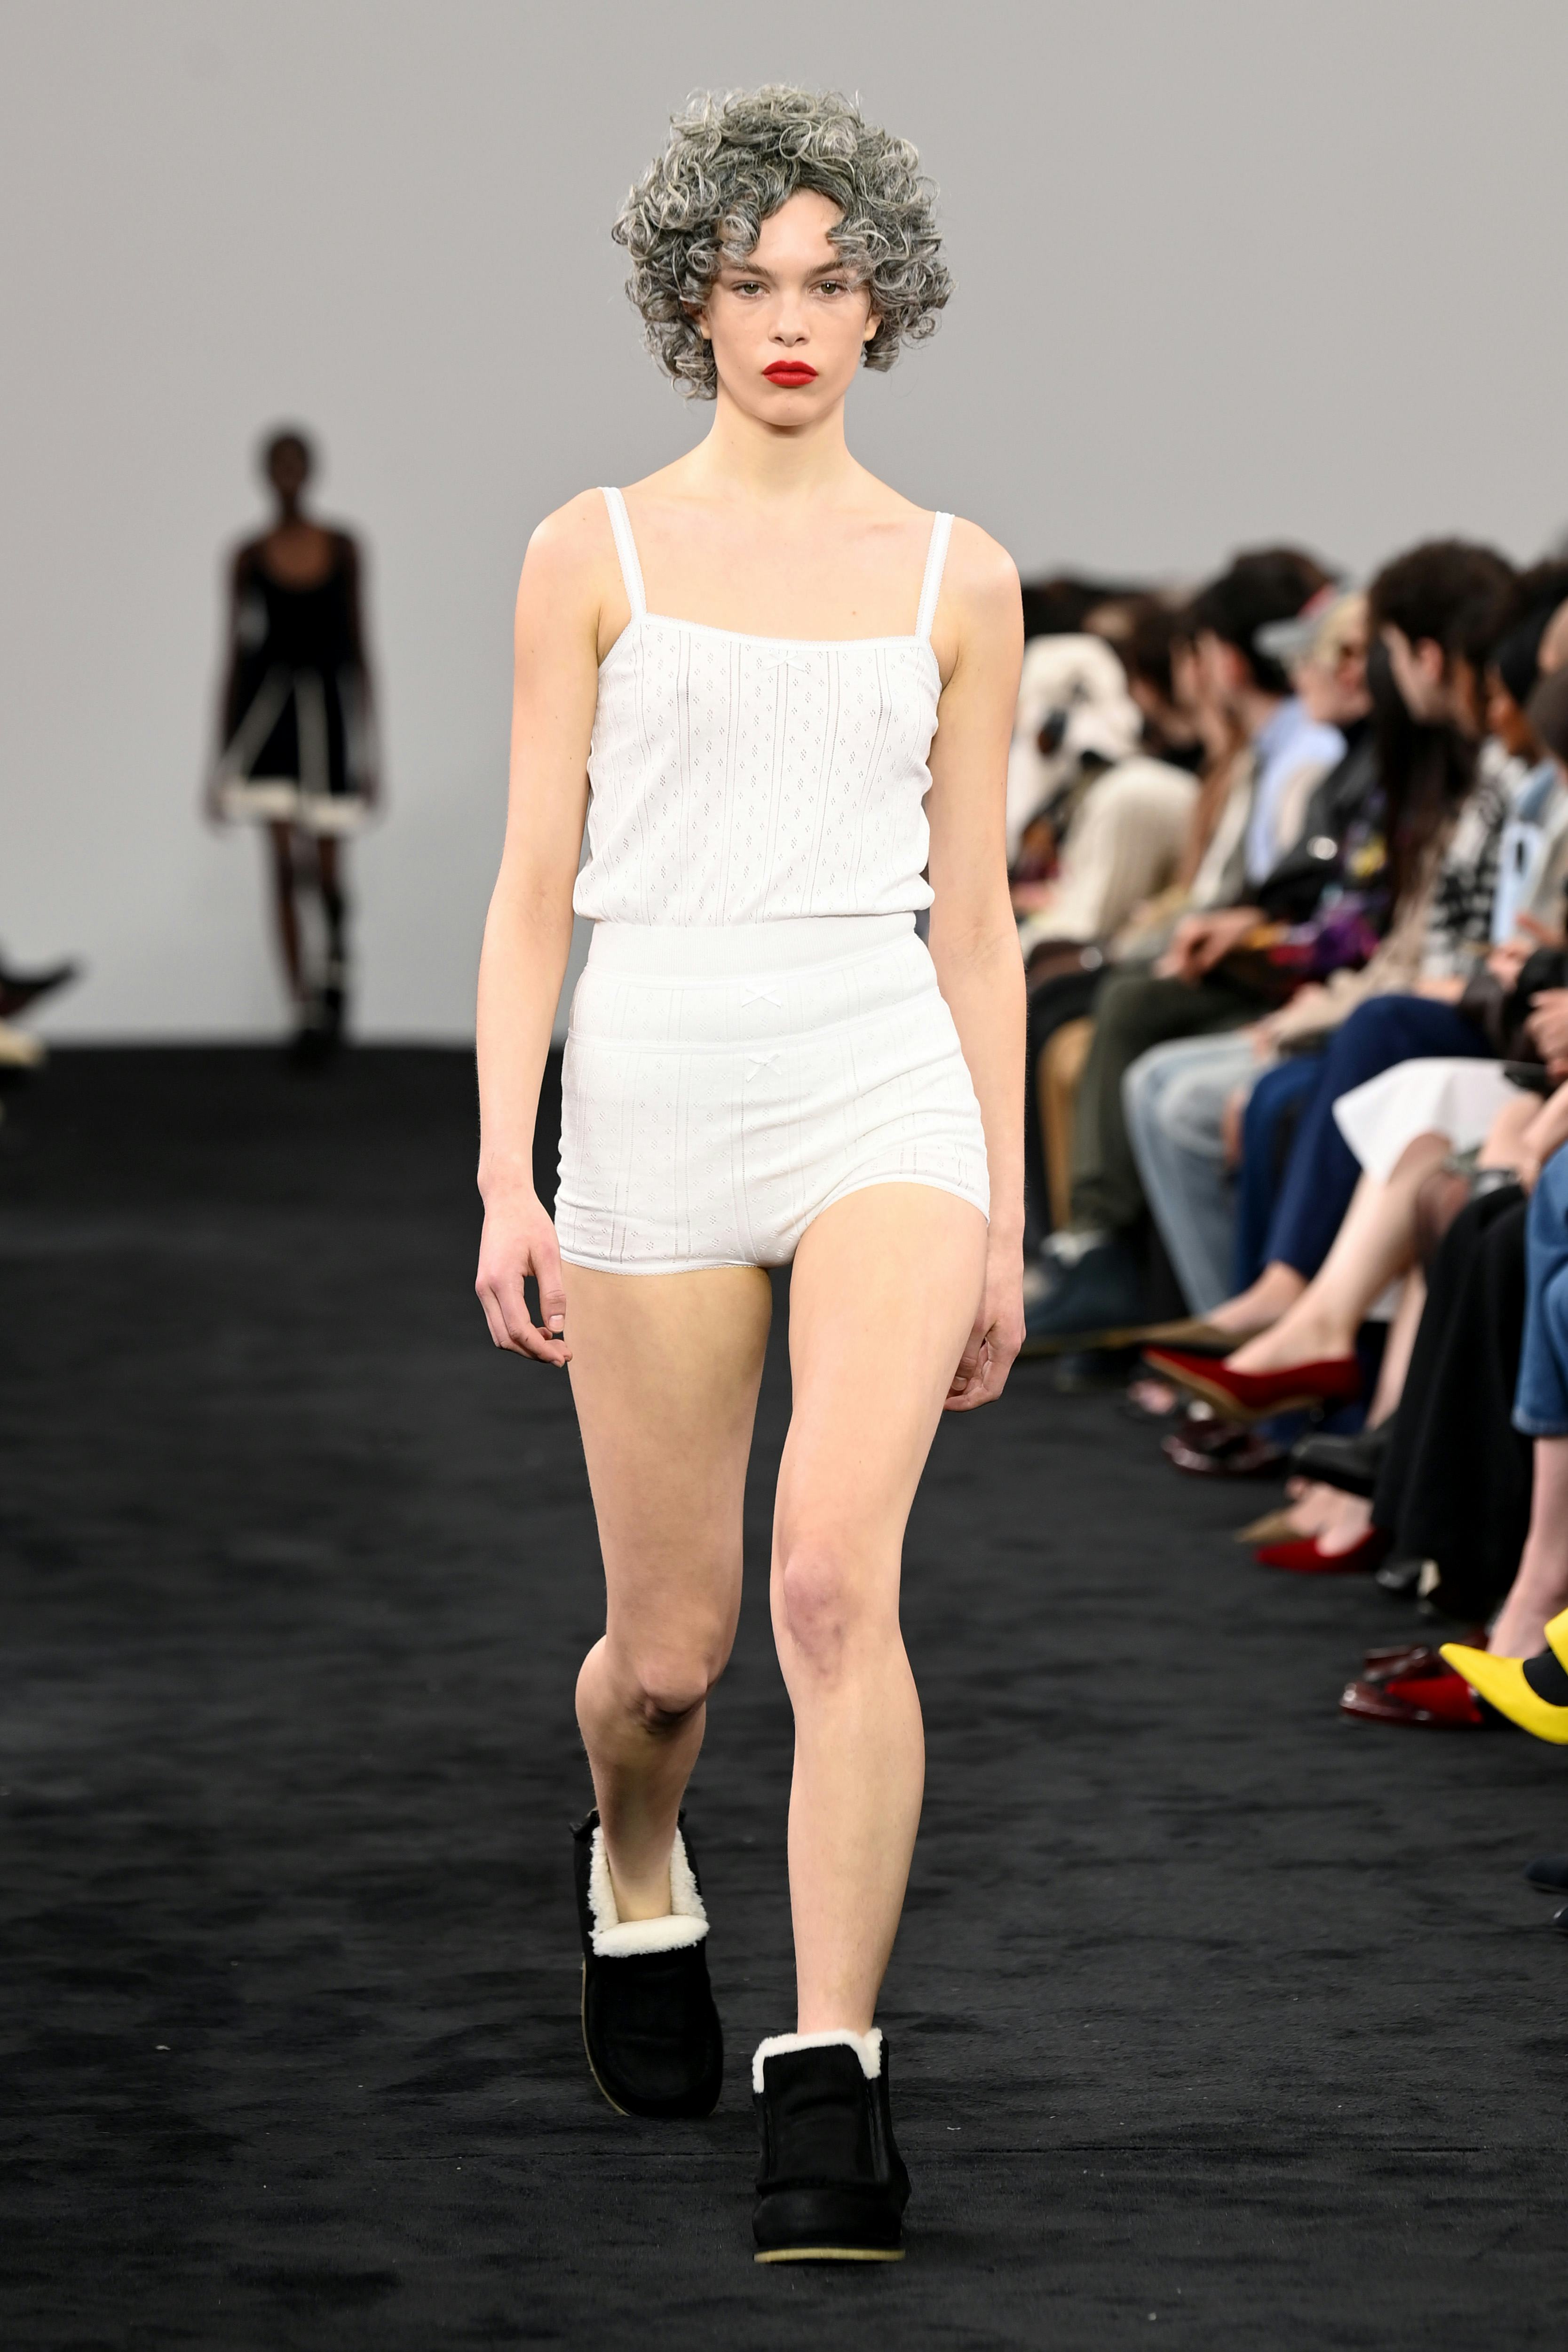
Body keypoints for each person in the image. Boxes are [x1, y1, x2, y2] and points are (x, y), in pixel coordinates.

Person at [471, 88, 1024, 2265]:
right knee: (672, 1654)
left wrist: (1002, 1212)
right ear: (685, 303)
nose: (788, 317)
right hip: (657, 1082)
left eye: (826, 277)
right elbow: (532, 880)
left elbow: (975, 923)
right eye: (745, 278)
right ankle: (633, 1861)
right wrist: (506, 1171)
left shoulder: (957, 574)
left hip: (878, 1074)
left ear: (884, 301)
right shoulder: (589, 549)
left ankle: (834, 2074)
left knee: (828, 1584)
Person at [210, 428, 379, 1054]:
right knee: (282, 867)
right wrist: (219, 759)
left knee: (327, 870)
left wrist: (371, 752)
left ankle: (334, 964)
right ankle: (302, 1005)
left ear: (309, 472)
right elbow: (233, 656)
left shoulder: (343, 548)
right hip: (270, 719)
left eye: (294, 464)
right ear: (265, 475)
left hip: (327, 718)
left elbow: (360, 648)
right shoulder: (248, 557)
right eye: (277, 465)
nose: (286, 476)